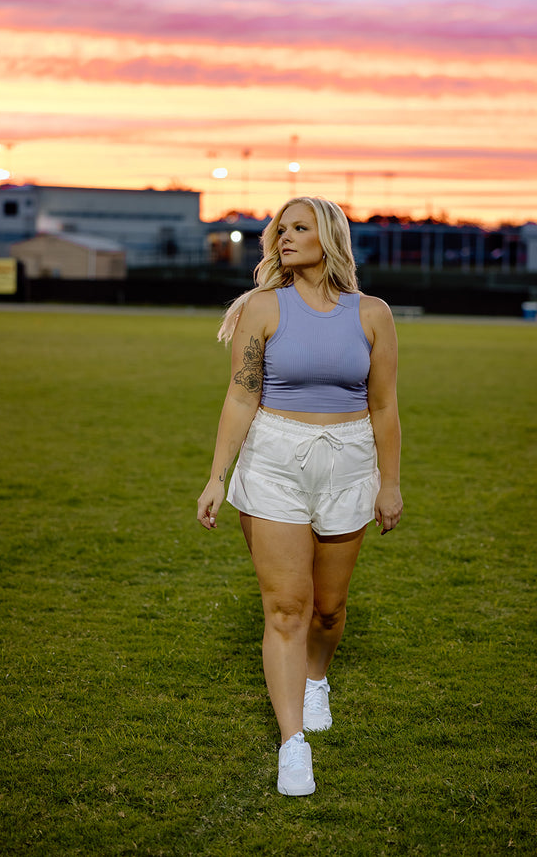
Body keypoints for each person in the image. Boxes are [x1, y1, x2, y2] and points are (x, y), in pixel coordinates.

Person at [197, 196, 402, 796]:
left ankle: (317, 679)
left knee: (328, 610)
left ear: (328, 237)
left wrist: (389, 483)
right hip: (274, 459)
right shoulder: (261, 308)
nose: (284, 237)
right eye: (279, 230)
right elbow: (241, 396)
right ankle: (293, 745)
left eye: (299, 228)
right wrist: (217, 476)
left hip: (349, 459)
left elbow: (385, 406)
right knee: (287, 607)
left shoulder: (374, 314)